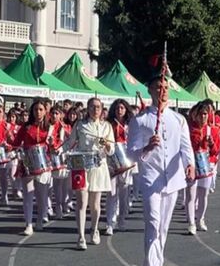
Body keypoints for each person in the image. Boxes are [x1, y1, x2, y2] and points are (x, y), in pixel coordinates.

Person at [127, 71, 195, 266]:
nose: (162, 91)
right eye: (158, 87)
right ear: (150, 90)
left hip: (173, 179)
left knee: (162, 228)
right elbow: (131, 154)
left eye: (166, 87)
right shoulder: (140, 120)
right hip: (150, 179)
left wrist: (190, 165)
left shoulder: (178, 119)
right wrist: (146, 147)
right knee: (153, 223)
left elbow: (186, 147)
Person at [62, 98, 115, 249]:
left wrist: (106, 144)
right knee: (81, 203)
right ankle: (80, 236)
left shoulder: (107, 127)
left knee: (95, 205)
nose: (95, 109)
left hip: (98, 166)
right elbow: (70, 142)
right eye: (92, 106)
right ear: (88, 108)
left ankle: (94, 229)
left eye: (98, 107)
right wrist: (59, 150)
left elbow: (112, 150)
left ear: (102, 109)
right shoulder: (80, 125)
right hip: (81, 165)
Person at [7, 99, 54, 235]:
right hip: (27, 160)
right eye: (35, 110)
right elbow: (16, 143)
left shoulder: (50, 127)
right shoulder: (26, 127)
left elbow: (54, 147)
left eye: (40, 109)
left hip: (44, 163)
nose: (38, 112)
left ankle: (39, 219)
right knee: (28, 194)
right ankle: (28, 224)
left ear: (45, 111)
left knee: (42, 195)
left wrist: (52, 143)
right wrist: (10, 144)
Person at [185, 101, 220, 235]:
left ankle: (200, 219)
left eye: (205, 114)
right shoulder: (189, 129)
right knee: (190, 195)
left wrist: (211, 144)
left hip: (206, 165)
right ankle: (191, 223)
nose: (203, 117)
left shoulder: (212, 130)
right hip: (192, 164)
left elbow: (216, 151)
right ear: (195, 115)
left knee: (204, 194)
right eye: (200, 114)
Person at [106, 99, 134, 236]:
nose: (120, 110)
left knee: (124, 194)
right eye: (117, 108)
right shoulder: (108, 124)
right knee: (111, 193)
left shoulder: (131, 124)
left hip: (126, 161)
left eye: (122, 108)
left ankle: (121, 219)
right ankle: (110, 223)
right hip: (111, 160)